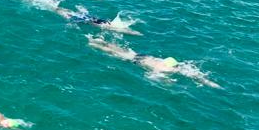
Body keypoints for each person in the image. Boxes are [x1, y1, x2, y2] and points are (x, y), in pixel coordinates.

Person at [86, 36, 219, 87]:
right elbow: (150, 75)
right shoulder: (164, 68)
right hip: (136, 60)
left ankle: (100, 41)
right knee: (116, 53)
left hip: (142, 56)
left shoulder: (163, 63)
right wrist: (167, 82)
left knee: (119, 49)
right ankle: (95, 44)